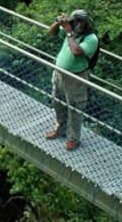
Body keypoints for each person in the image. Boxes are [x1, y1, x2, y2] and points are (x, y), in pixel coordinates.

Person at [45, 9, 99, 151]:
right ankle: (60, 129)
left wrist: (69, 32)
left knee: (75, 108)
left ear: (86, 23)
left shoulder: (91, 38)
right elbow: (51, 32)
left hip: (76, 78)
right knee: (57, 102)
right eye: (75, 21)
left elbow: (76, 52)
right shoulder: (72, 30)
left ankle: (73, 139)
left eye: (80, 22)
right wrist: (58, 23)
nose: (77, 24)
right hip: (59, 73)